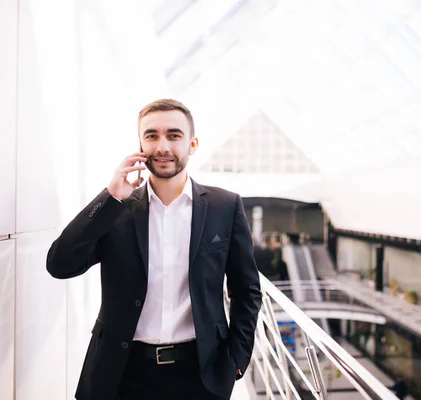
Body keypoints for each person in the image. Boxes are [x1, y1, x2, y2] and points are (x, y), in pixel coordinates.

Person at [47, 99, 262, 400]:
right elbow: (60, 264)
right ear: (140, 145)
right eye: (151, 136)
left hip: (200, 375)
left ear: (192, 143)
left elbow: (246, 290)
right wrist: (110, 196)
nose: (162, 146)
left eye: (174, 135)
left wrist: (236, 362)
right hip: (122, 374)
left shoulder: (225, 207)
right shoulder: (116, 210)